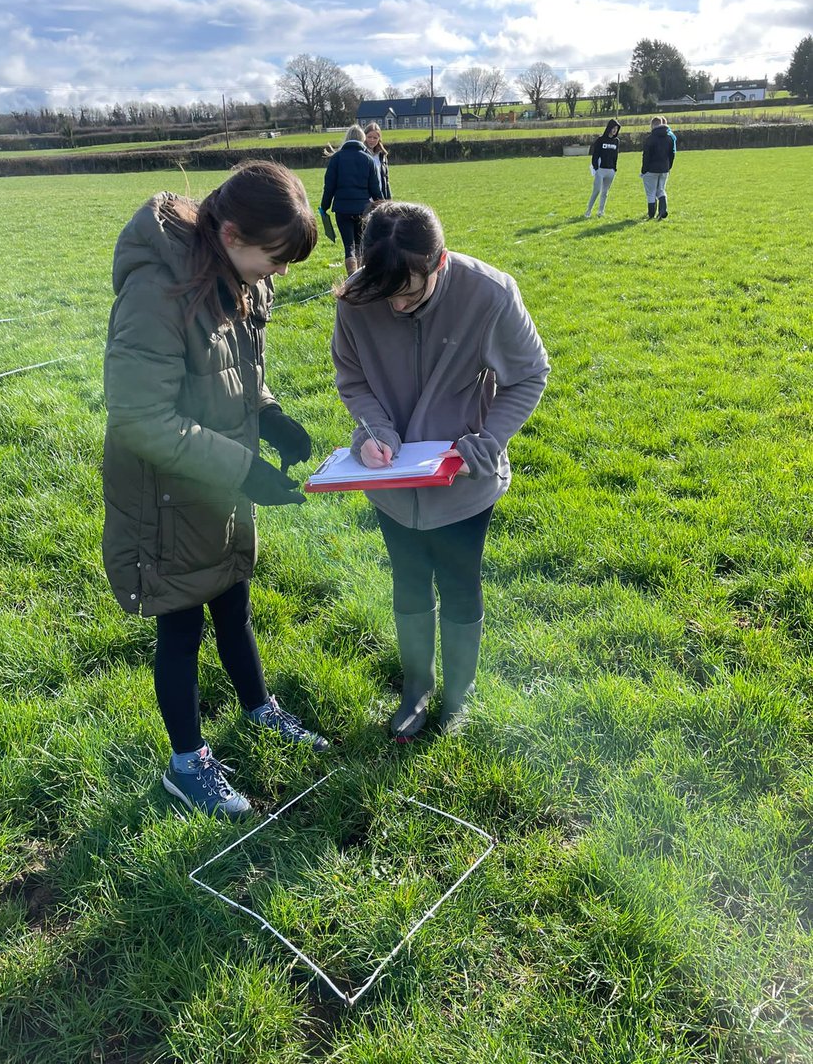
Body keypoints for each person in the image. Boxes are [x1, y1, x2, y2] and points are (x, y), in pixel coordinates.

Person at [103, 160, 328, 821]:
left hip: (221, 475)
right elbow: (140, 418)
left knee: (233, 601)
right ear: (230, 232)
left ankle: (260, 709)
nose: (280, 272)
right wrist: (243, 468)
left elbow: (239, 369)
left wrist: (270, 414)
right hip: (167, 490)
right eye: (276, 256)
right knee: (181, 626)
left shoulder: (241, 277)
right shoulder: (156, 292)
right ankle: (187, 765)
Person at [331, 202, 549, 740]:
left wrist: (490, 438)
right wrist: (375, 429)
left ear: (440, 262)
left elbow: (529, 374)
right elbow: (351, 377)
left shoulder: (491, 295)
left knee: (459, 583)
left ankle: (458, 696)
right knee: (407, 582)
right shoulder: (361, 297)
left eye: (410, 291)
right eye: (388, 294)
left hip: (463, 482)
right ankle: (415, 688)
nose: (398, 305)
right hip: (391, 483)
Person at [320, 125, 383, 276]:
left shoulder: (336, 158)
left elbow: (329, 186)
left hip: (342, 209)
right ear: (362, 139)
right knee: (360, 245)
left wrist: (324, 207)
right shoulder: (368, 160)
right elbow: (375, 189)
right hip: (363, 209)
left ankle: (351, 278)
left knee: (349, 246)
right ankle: (360, 278)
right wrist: (384, 206)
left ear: (347, 138)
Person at [584, 118, 621, 218]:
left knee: (605, 192)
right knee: (596, 191)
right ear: (609, 128)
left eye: (616, 129)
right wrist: (596, 168)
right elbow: (595, 155)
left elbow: (615, 156)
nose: (614, 130)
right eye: (613, 128)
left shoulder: (616, 141)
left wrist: (614, 169)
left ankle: (601, 211)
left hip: (610, 171)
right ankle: (588, 210)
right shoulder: (601, 140)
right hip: (600, 170)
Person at [641, 115, 675, 220]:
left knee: (651, 192)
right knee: (661, 190)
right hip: (664, 168)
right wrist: (669, 167)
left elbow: (646, 156)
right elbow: (672, 154)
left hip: (651, 170)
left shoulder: (650, 139)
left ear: (652, 125)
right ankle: (662, 210)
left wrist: (644, 170)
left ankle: (651, 214)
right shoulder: (669, 138)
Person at [363, 122, 392, 200]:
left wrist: (389, 200)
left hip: (380, 199)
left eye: (375, 138)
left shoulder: (382, 155)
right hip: (365, 200)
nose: (372, 140)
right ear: (364, 136)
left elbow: (386, 180)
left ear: (379, 139)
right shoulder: (361, 154)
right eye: (369, 137)